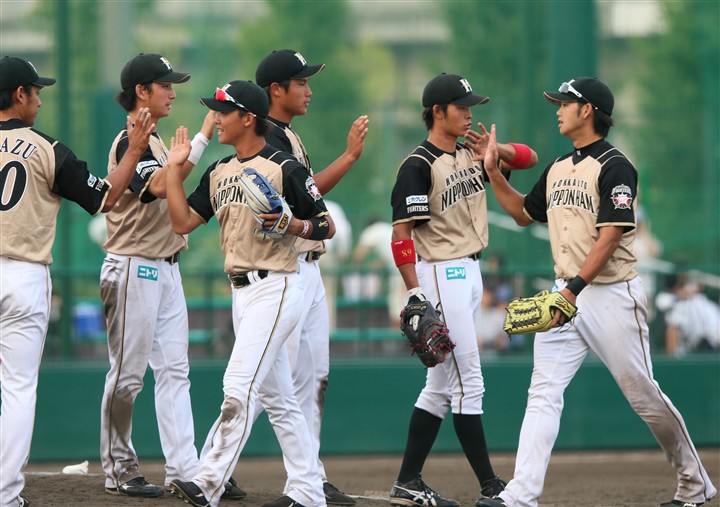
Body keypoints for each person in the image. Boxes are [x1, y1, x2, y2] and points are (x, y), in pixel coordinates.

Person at [475, 77, 717, 507]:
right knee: (543, 391)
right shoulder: (557, 167)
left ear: (587, 110)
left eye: (564, 103)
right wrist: (494, 171)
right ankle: (521, 494)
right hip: (565, 292)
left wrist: (573, 290)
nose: (558, 110)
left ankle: (694, 485)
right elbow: (522, 213)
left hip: (611, 294)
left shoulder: (616, 166)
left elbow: (610, 237)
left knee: (644, 395)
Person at [165, 79, 335, 507]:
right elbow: (183, 222)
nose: (216, 119)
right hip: (241, 292)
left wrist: (295, 225)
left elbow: (325, 224)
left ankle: (208, 481)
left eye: (224, 112)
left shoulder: (285, 167)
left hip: (276, 285)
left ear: (247, 118)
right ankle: (308, 489)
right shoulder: (219, 170)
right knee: (280, 400)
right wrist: (173, 171)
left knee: (238, 385)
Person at [0, 56, 153, 507]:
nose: (40, 100)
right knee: (17, 389)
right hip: (22, 275)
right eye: (36, 91)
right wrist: (135, 151)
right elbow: (105, 198)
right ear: (19, 94)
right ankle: (5, 495)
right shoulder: (46, 148)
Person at [98, 53, 244, 500]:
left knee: (176, 372)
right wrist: (194, 144)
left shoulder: (156, 142)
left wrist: (202, 135)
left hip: (166, 267)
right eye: (164, 85)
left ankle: (185, 468)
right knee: (127, 376)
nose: (172, 92)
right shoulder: (130, 142)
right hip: (133, 266)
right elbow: (160, 187)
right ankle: (119, 467)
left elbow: (171, 176)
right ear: (141, 91)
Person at [388, 72, 538, 507]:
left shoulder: (471, 154)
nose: (470, 114)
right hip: (440, 272)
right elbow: (402, 233)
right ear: (438, 112)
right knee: (469, 382)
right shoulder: (417, 165)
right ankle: (490, 484)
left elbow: (529, 159)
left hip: (470, 271)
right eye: (462, 107)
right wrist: (414, 291)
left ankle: (408, 481)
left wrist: (495, 151)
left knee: (438, 387)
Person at [254, 48, 369, 506]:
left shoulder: (286, 133)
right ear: (275, 89)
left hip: (308, 266)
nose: (309, 90)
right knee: (267, 383)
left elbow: (307, 192)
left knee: (313, 378)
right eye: (300, 82)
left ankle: (309, 479)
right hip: (286, 269)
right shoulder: (267, 135)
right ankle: (210, 472)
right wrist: (350, 156)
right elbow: (308, 195)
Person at [350, 218, 404, 329]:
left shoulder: (372, 230)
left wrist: (354, 268)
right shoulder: (386, 229)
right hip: (406, 267)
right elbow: (387, 257)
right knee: (403, 304)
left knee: (397, 306)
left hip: (400, 271)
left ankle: (397, 336)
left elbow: (360, 252)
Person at [663, 275, 720, 356]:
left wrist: (672, 358)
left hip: (699, 351)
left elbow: (672, 330)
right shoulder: (675, 302)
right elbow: (672, 330)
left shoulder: (708, 306)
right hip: (698, 352)